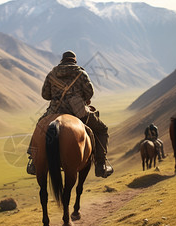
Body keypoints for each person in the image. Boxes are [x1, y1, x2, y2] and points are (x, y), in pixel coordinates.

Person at [27, 50, 113, 178]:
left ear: (62, 61)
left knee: (39, 126)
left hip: (55, 110)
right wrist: (80, 97)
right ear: (74, 61)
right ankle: (101, 165)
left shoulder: (52, 74)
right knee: (102, 129)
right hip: (78, 110)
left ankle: (33, 161)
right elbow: (89, 92)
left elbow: (45, 95)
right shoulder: (80, 73)